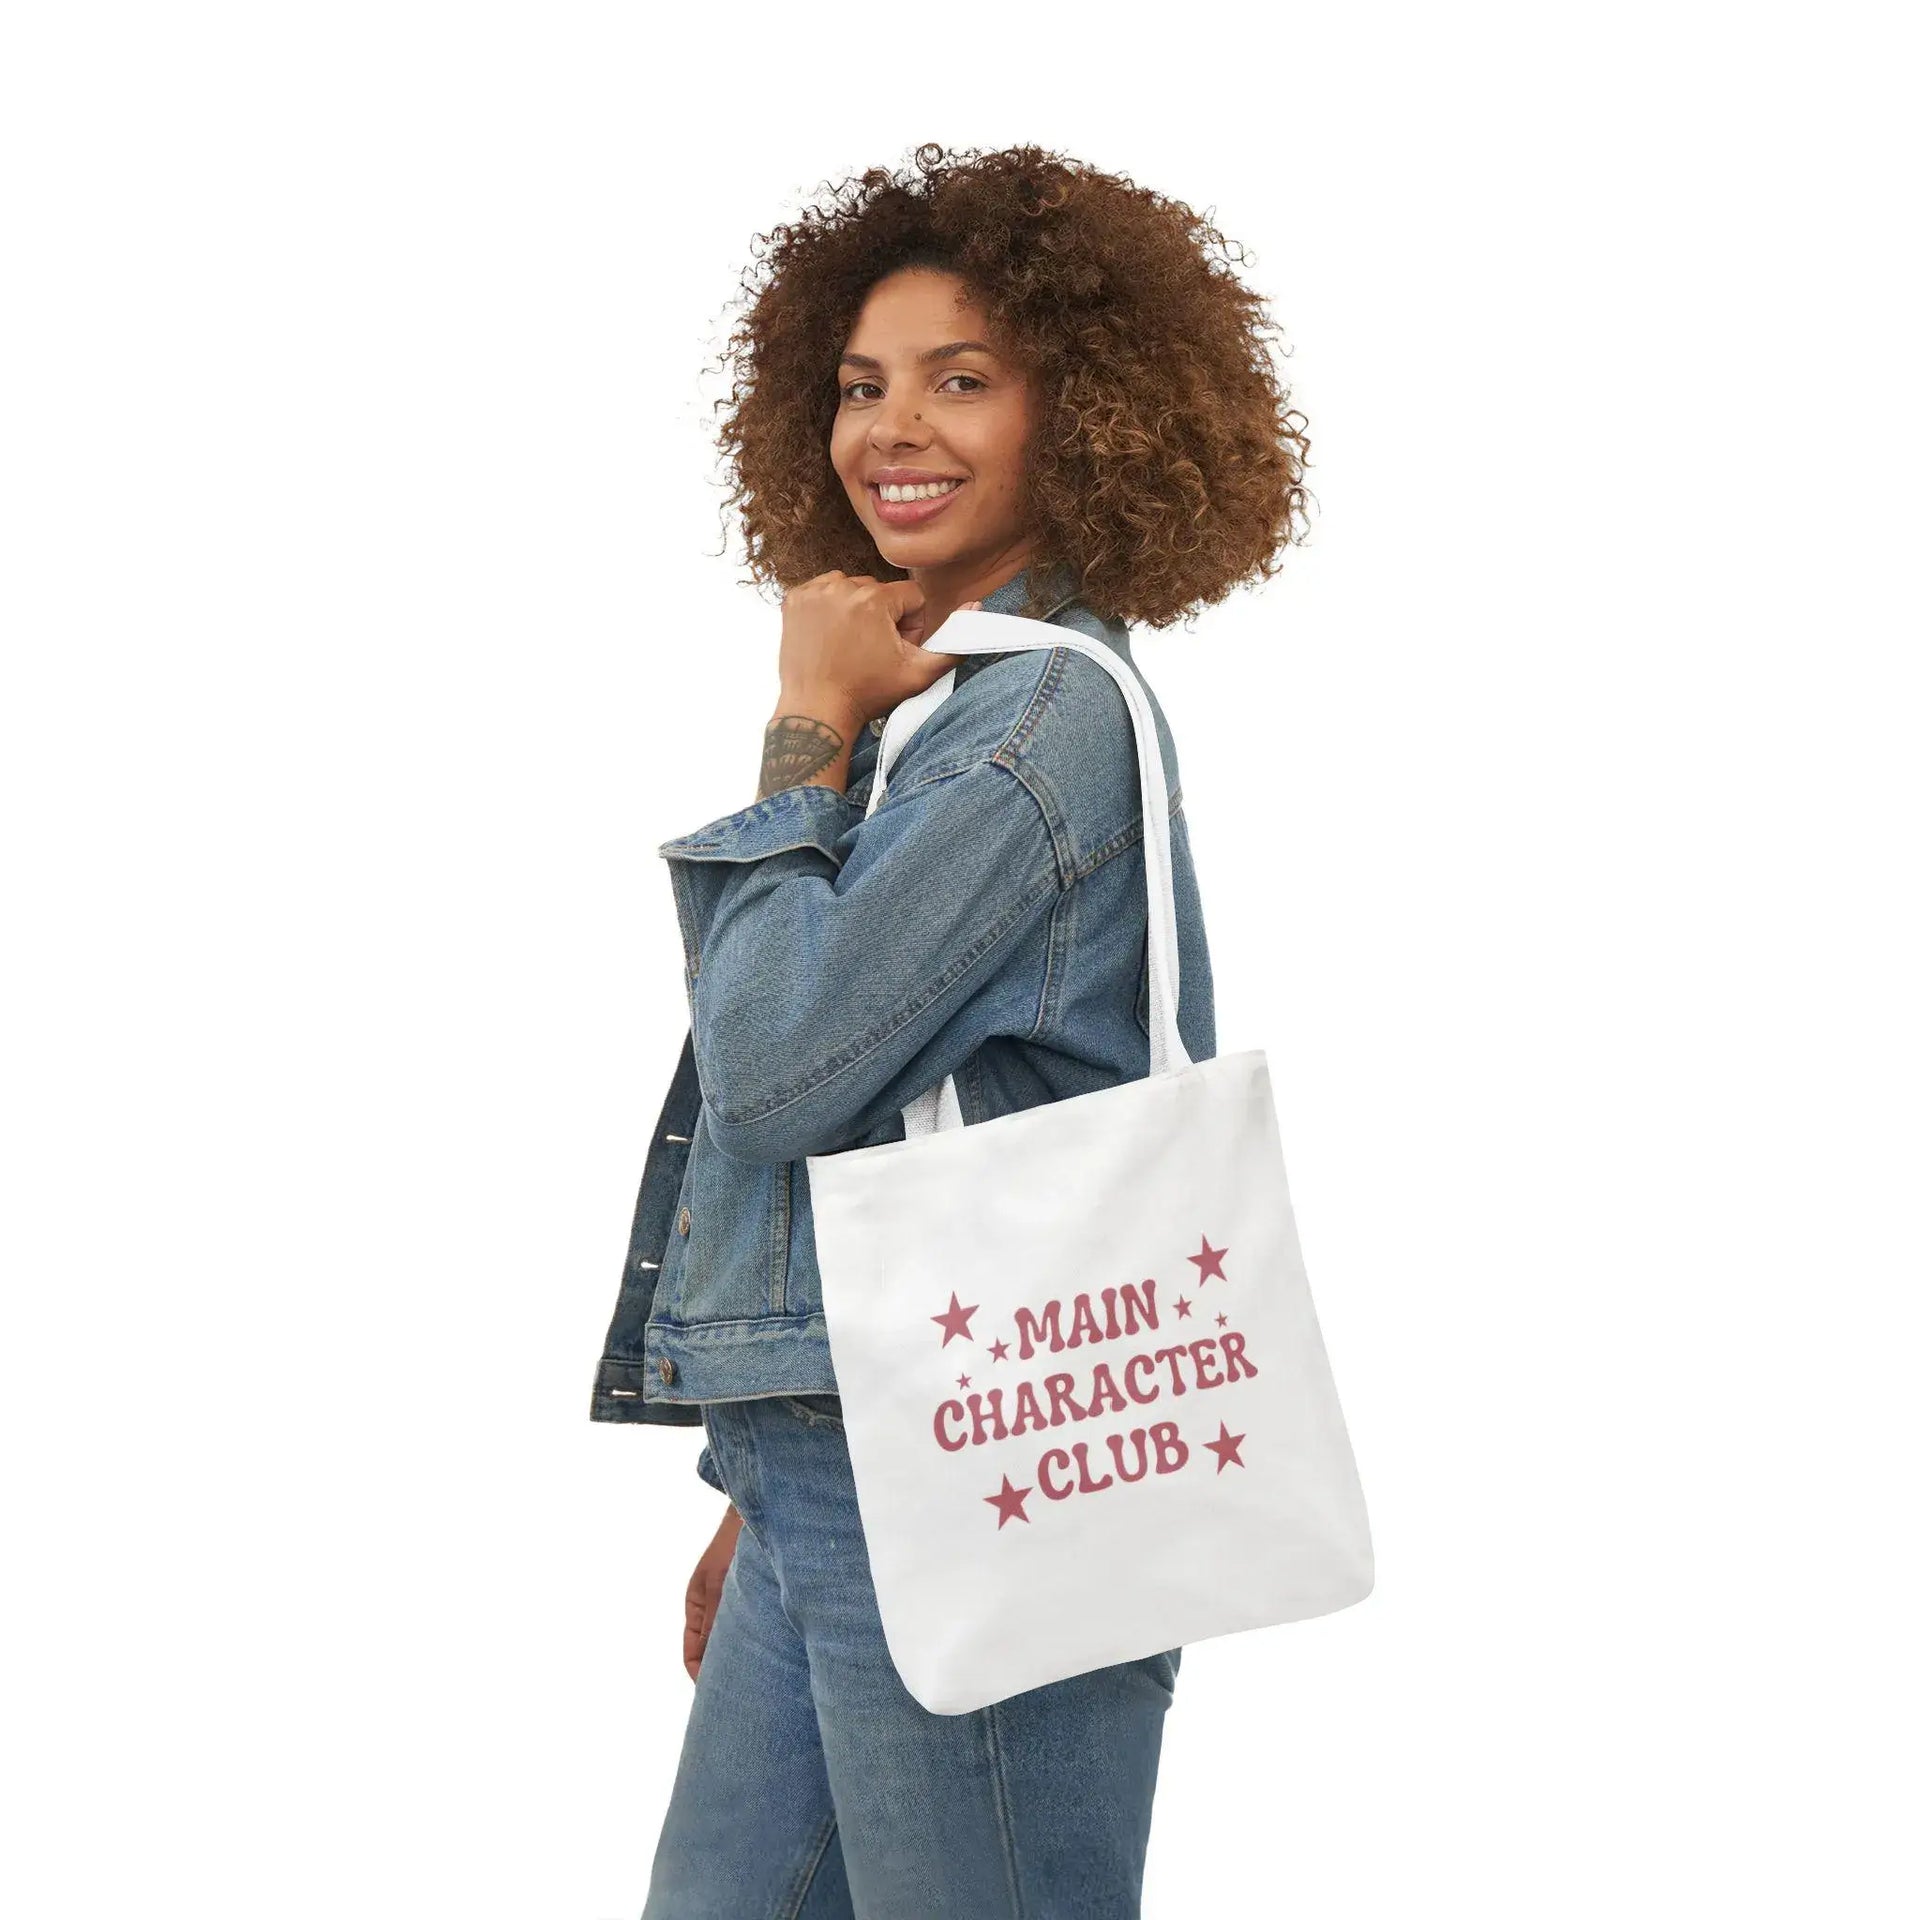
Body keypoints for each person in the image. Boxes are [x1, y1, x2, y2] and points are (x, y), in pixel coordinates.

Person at [589, 141, 1312, 1918]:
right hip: (847, 1456)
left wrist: (801, 736)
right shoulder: (958, 708)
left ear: (1091, 413)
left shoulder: (1033, 728)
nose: (888, 430)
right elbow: (873, 1145)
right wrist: (763, 1474)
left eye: (962, 380)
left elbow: (782, 1074)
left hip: (977, 1473)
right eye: (857, 386)